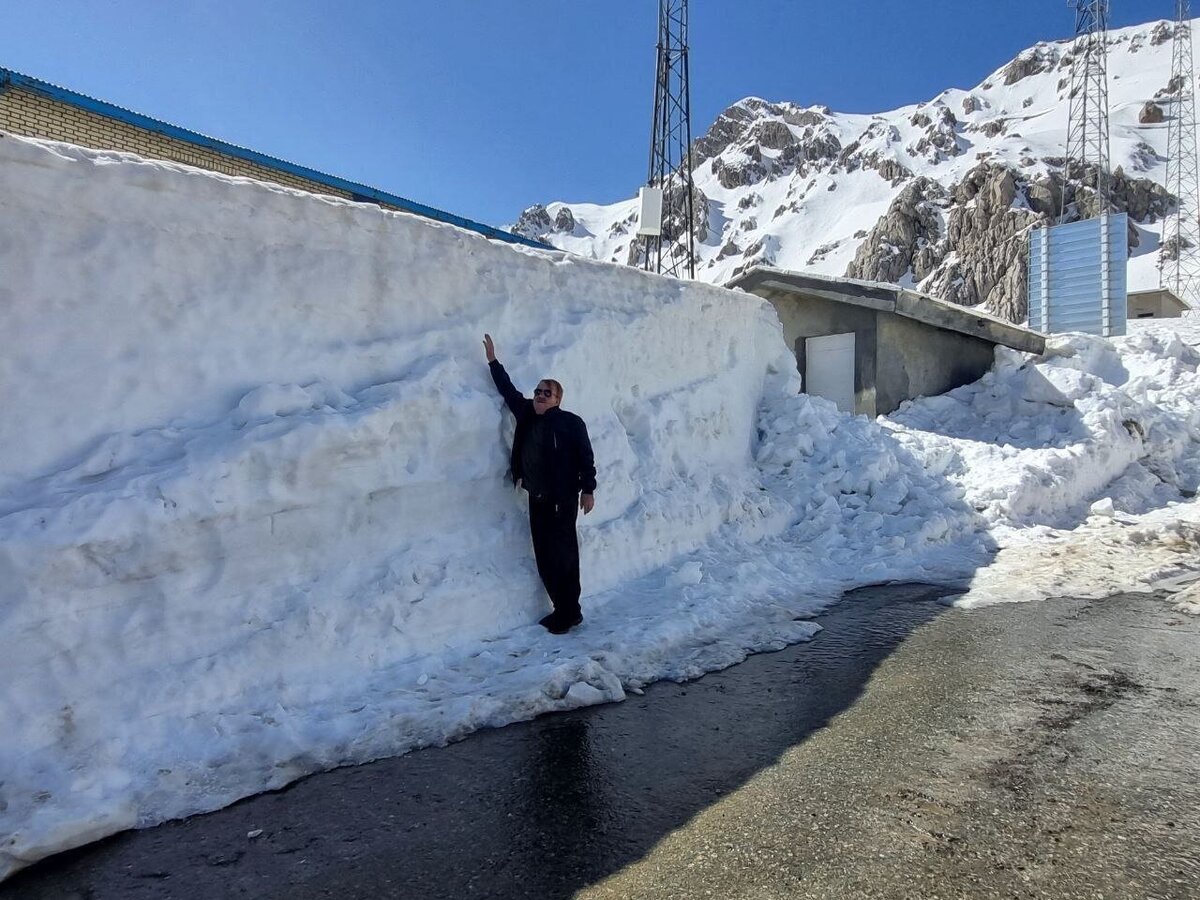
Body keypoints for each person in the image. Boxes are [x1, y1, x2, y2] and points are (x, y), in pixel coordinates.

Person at [483, 333, 596, 634]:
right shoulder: (526, 414)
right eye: (538, 391)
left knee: (565, 556)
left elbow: (586, 457)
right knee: (545, 556)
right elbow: (507, 390)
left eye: (547, 392)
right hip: (539, 497)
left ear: (558, 399)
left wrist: (589, 489)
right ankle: (562, 609)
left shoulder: (571, 423)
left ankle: (571, 611)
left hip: (563, 499)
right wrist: (493, 361)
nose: (540, 395)